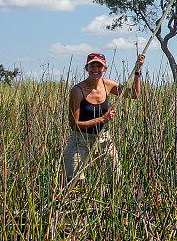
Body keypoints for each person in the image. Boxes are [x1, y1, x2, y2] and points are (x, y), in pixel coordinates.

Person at [62, 52, 145, 185]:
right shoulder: (77, 91)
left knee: (115, 177)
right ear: (86, 68)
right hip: (80, 139)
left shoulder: (107, 85)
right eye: (92, 66)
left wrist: (137, 70)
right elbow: (74, 125)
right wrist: (102, 119)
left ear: (105, 69)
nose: (95, 70)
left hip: (103, 138)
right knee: (72, 180)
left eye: (99, 67)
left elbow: (134, 94)